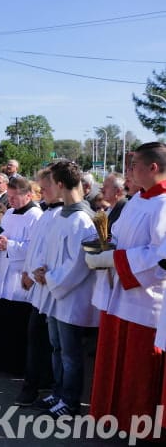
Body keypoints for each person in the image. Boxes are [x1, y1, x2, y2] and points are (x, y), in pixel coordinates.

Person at [85, 142, 166, 436]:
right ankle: (113, 419)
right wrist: (105, 250)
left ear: (152, 167)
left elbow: (160, 259)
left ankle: (137, 427)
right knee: (113, 363)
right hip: (119, 295)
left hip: (144, 302)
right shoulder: (137, 200)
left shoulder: (164, 204)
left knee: (136, 370)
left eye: (133, 166)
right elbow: (119, 237)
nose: (128, 172)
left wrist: (115, 259)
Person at [33, 160, 99, 419]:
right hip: (54, 291)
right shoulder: (63, 215)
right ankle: (59, 392)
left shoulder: (83, 219)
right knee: (57, 347)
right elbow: (51, 250)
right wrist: (41, 270)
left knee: (70, 354)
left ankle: (70, 402)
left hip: (70, 295)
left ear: (60, 184)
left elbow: (80, 264)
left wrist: (49, 277)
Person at [14, 168, 62, 407]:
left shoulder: (65, 215)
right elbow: (35, 247)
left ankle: (42, 386)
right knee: (36, 338)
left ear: (60, 186)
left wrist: (36, 273)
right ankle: (33, 384)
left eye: (45, 188)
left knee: (52, 344)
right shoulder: (46, 213)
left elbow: (53, 253)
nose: (41, 192)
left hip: (53, 287)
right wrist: (27, 270)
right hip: (37, 286)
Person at [0, 177, 42, 376]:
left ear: (28, 195)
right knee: (1, 319)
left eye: (14, 197)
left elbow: (36, 249)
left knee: (17, 324)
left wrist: (9, 245)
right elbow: (0, 236)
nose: (10, 201)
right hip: (2, 272)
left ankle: (16, 364)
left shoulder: (37, 215)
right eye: (8, 197)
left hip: (20, 278)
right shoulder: (8, 213)